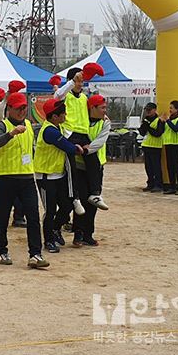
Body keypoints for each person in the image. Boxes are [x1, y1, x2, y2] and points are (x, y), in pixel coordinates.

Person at [0, 92, 49, 269]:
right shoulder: (1, 125)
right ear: (9, 109)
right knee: (3, 217)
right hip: (6, 178)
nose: (22, 111)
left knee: (33, 216)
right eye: (19, 108)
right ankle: (1, 251)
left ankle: (35, 254)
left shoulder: (29, 125)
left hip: (27, 177)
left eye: (24, 108)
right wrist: (11, 133)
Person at [54, 66, 108, 210]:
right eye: (78, 81)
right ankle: (75, 198)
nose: (80, 84)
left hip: (83, 134)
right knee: (71, 167)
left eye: (82, 81)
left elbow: (93, 110)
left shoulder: (84, 97)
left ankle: (95, 194)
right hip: (69, 134)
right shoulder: (66, 95)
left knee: (93, 161)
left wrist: (103, 115)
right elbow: (57, 96)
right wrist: (72, 82)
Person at [34, 98, 79, 253]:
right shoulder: (49, 131)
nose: (65, 115)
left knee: (67, 206)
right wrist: (79, 148)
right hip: (45, 177)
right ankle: (48, 240)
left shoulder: (56, 127)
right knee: (50, 210)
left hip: (57, 175)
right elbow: (68, 147)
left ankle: (55, 229)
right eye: (63, 113)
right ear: (54, 117)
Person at [73, 94, 112, 246]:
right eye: (102, 108)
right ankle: (78, 233)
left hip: (97, 166)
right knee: (80, 200)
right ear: (92, 108)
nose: (105, 111)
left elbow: (101, 141)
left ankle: (88, 234)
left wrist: (87, 150)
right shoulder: (81, 120)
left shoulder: (105, 123)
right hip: (79, 166)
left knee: (93, 201)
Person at [161, 101, 178, 195]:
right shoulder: (169, 119)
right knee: (170, 167)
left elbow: (176, 129)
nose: (170, 110)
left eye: (172, 108)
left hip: (177, 145)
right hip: (168, 144)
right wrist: (162, 121)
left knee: (177, 166)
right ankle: (172, 187)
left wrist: (167, 120)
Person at [138, 102, 165, 193]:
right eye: (146, 110)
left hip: (155, 146)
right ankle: (150, 183)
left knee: (156, 167)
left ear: (154, 110)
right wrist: (144, 125)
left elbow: (158, 133)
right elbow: (142, 132)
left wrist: (148, 127)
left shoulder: (159, 120)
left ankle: (158, 184)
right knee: (148, 167)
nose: (148, 111)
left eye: (150, 110)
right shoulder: (146, 119)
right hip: (146, 145)